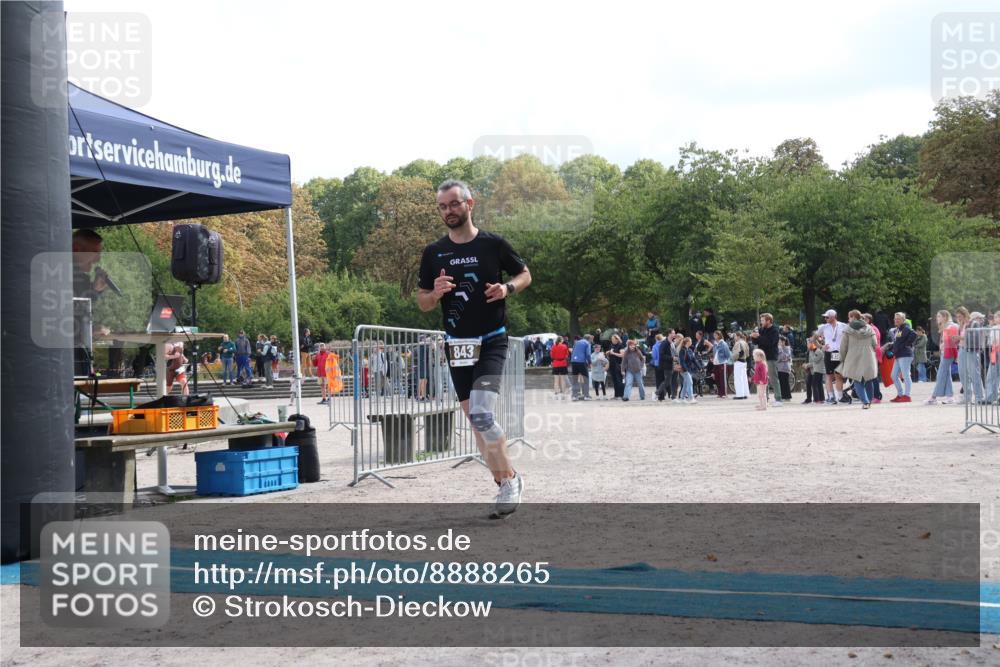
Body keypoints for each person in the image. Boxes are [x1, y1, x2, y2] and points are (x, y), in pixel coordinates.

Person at [417, 178, 532, 518]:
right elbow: (423, 302)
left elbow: (525, 274)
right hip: (457, 345)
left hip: (491, 339)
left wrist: (508, 288)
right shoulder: (434, 252)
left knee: (482, 414)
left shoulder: (493, 244)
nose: (448, 211)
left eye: (454, 204)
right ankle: (504, 480)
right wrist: (435, 293)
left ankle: (509, 480)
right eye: (442, 206)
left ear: (470, 204)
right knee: (476, 421)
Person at [837, 310, 878, 409]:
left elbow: (843, 346)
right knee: (868, 379)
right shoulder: (869, 328)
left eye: (849, 317)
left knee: (857, 380)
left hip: (853, 356)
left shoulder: (847, 329)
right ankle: (869, 401)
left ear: (853, 317)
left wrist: (842, 358)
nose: (848, 319)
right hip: (868, 355)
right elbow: (874, 343)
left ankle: (865, 402)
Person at [927, 310, 959, 405]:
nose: (937, 318)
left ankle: (933, 397)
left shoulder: (951, 326)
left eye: (939, 316)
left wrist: (944, 345)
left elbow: (953, 341)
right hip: (946, 352)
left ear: (945, 317)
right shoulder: (946, 326)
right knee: (946, 375)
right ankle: (950, 397)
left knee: (941, 374)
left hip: (948, 353)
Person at [955, 307, 986, 404]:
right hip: (962, 349)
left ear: (965, 315)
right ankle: (967, 396)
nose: (958, 318)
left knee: (974, 374)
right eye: (957, 317)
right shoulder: (961, 325)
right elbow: (961, 338)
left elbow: (976, 337)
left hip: (971, 350)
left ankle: (979, 397)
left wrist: (961, 337)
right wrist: (957, 339)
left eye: (960, 316)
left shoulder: (974, 323)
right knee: (962, 373)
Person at [751, 313, 783, 406]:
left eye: (763, 320)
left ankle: (778, 399)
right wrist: (753, 337)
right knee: (763, 379)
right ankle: (765, 400)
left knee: (773, 378)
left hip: (770, 357)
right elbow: (757, 342)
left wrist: (759, 337)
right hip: (761, 358)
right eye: (761, 320)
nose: (761, 322)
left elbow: (770, 342)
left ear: (768, 321)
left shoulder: (775, 330)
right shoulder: (762, 329)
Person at [819, 309, 849, 405]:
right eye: (825, 317)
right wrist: (821, 346)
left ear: (833, 317)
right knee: (829, 375)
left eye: (827, 317)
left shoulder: (843, 326)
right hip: (829, 352)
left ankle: (840, 397)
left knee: (839, 375)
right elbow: (813, 338)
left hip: (839, 353)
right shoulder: (823, 327)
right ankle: (831, 397)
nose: (825, 318)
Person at [885, 312, 916, 402]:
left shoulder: (905, 328)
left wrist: (905, 344)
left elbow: (913, 334)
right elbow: (898, 342)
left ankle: (907, 396)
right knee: (894, 375)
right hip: (899, 355)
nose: (896, 320)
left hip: (905, 354)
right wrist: (892, 347)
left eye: (898, 319)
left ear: (903, 320)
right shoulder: (898, 329)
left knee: (905, 375)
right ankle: (900, 395)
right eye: (895, 318)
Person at [803, 335, 826, 404]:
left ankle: (818, 399)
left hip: (816, 370)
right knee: (809, 383)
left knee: (815, 384)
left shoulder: (816, 350)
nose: (807, 345)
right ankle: (810, 399)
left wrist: (807, 365)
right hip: (812, 369)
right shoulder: (811, 350)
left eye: (809, 343)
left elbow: (815, 361)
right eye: (807, 343)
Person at [569, 334, 592, 401]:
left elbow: (573, 351)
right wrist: (590, 362)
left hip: (574, 361)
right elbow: (588, 354)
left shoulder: (577, 342)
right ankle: (586, 395)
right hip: (581, 362)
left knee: (575, 379)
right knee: (585, 379)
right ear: (589, 339)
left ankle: (574, 396)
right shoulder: (587, 343)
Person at [711, 331, 732, 398]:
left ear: (719, 335)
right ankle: (719, 393)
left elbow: (727, 354)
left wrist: (724, 360)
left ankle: (724, 393)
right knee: (717, 378)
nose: (714, 336)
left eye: (715, 335)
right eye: (714, 335)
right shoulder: (715, 344)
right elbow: (714, 353)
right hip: (716, 363)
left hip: (722, 363)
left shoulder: (724, 344)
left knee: (723, 379)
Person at [678, 337, 698, 404]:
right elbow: (682, 361)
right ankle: (691, 398)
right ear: (687, 342)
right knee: (690, 382)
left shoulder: (689, 350)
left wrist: (700, 367)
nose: (691, 342)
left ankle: (682, 398)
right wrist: (686, 369)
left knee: (685, 384)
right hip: (684, 370)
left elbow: (693, 359)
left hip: (688, 369)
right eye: (690, 341)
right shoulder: (682, 350)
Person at [654, 334, 674, 401]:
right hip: (665, 364)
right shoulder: (666, 344)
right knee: (666, 380)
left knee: (660, 381)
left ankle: (660, 395)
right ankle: (667, 394)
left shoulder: (655, 346)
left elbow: (654, 356)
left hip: (658, 365)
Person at [731, 332, 751, 400]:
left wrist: (733, 358)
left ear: (738, 336)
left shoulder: (738, 343)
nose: (734, 337)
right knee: (744, 379)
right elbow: (748, 354)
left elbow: (737, 353)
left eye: (735, 336)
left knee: (738, 379)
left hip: (738, 361)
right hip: (744, 361)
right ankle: (745, 393)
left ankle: (740, 395)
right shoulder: (745, 342)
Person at [985, 311, 1000, 404]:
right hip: (995, 352)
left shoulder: (994, 328)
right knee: (992, 374)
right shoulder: (993, 328)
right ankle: (991, 396)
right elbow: (991, 342)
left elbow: (992, 341)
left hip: (996, 351)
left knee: (992, 375)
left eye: (996, 317)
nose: (995, 319)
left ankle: (991, 397)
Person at [606, 333, 625, 399]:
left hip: (618, 365)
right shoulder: (611, 345)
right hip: (612, 365)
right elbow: (608, 353)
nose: (612, 340)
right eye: (611, 339)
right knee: (614, 380)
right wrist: (608, 352)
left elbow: (622, 355)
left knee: (619, 380)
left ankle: (621, 395)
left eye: (613, 339)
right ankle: (616, 395)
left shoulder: (620, 345)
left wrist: (613, 353)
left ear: (617, 339)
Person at [776, 336, 793, 401]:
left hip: (785, 368)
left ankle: (787, 397)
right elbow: (778, 358)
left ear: (784, 342)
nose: (778, 343)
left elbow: (784, 357)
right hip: (779, 368)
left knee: (785, 382)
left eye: (780, 342)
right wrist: (781, 359)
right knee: (781, 383)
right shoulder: (779, 348)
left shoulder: (787, 348)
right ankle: (783, 396)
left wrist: (781, 351)